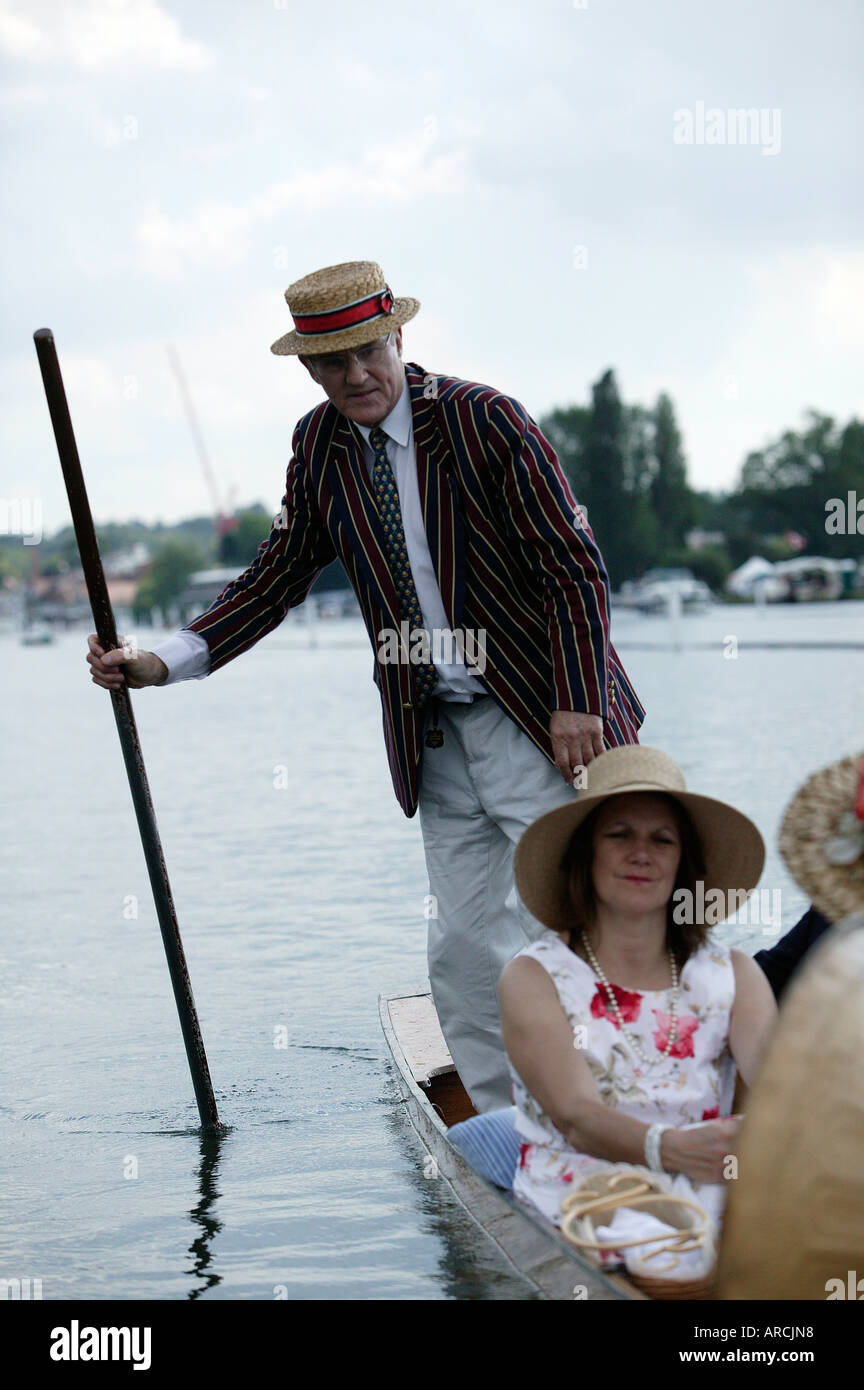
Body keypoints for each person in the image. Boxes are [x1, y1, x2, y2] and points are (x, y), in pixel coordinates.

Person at [86, 260, 645, 1114]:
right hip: (439, 736)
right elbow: (272, 580)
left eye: (367, 353)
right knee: (461, 948)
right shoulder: (318, 447)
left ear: (399, 338)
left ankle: (623, 1114)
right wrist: (162, 662)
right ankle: (500, 1135)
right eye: (331, 364)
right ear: (308, 370)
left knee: (576, 928)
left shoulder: (486, 420)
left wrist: (580, 703)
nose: (355, 377)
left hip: (544, 716)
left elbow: (574, 570)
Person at [498, 745, 777, 1246]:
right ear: (586, 853)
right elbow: (577, 1118)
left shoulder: (735, 974)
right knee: (659, 1248)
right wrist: (670, 1150)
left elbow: (785, 1093)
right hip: (586, 1197)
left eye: (662, 839)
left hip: (712, 1189)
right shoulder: (533, 978)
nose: (641, 853)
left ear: (681, 864)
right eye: (619, 834)